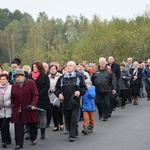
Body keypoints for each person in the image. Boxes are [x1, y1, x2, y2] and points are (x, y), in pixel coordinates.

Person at [55, 61, 86, 142]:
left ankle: (72, 135)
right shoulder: (62, 78)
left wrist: (79, 92)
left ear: (74, 67)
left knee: (74, 118)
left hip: (75, 102)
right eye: (67, 66)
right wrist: (59, 94)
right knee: (68, 118)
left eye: (70, 66)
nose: (68, 67)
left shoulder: (79, 77)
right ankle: (73, 130)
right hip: (65, 102)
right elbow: (57, 88)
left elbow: (84, 88)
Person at [11, 69, 39, 149]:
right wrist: (13, 105)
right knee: (18, 127)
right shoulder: (14, 85)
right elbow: (12, 97)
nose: (17, 78)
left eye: (19, 76)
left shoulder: (31, 83)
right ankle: (19, 143)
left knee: (32, 125)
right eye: (16, 77)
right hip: (18, 109)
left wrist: (33, 104)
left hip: (29, 108)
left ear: (23, 76)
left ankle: (33, 138)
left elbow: (35, 94)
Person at [28, 61, 50, 139]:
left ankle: (42, 132)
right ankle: (31, 132)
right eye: (33, 67)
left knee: (42, 115)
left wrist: (38, 94)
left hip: (42, 98)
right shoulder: (30, 76)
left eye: (36, 67)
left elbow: (47, 87)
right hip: (32, 98)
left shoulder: (44, 76)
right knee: (32, 116)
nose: (34, 68)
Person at [48, 64, 63, 131]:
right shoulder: (47, 77)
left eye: (54, 69)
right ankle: (56, 125)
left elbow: (62, 85)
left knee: (59, 110)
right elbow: (46, 86)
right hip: (51, 96)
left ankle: (61, 123)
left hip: (58, 95)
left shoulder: (60, 76)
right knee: (53, 111)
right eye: (51, 69)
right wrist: (50, 90)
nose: (53, 70)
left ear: (56, 69)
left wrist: (57, 90)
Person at [0, 73, 12, 148]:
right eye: (1, 79)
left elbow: (13, 99)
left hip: (8, 110)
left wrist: (5, 104)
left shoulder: (11, 88)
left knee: (4, 125)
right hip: (0, 110)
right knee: (3, 126)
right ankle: (8, 139)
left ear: (7, 80)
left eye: (4, 79)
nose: (2, 81)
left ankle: (4, 141)